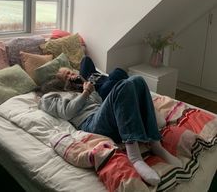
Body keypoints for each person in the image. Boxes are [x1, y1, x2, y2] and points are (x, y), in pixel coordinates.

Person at [38, 69, 182, 186]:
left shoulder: (75, 89)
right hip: (90, 123)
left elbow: (99, 102)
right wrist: (85, 93)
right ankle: (134, 156)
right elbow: (67, 112)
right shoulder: (48, 97)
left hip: (104, 117)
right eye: (64, 75)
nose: (69, 76)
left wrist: (86, 88)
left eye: (69, 73)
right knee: (122, 86)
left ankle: (155, 144)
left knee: (137, 80)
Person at [58, 56, 128, 100]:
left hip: (103, 79)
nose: (69, 76)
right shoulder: (72, 88)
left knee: (117, 72)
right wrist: (80, 81)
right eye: (66, 77)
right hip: (99, 91)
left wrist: (81, 76)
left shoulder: (84, 73)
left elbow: (86, 59)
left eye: (68, 73)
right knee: (116, 74)